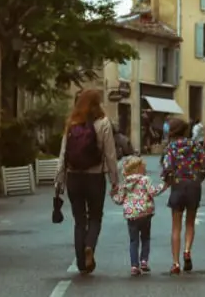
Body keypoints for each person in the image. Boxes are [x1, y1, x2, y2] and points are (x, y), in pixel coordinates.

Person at [54, 90, 119, 275]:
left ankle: (81, 263)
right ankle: (90, 245)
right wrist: (114, 180)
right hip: (95, 177)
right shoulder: (103, 122)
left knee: (79, 221)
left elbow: (63, 154)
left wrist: (59, 181)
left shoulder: (72, 122)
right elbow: (110, 154)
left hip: (74, 177)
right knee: (95, 217)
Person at [161, 117, 205, 275]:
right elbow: (204, 164)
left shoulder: (171, 147)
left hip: (178, 185)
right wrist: (198, 178)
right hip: (193, 185)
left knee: (176, 226)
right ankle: (187, 250)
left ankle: (175, 263)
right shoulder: (195, 145)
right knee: (190, 222)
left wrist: (167, 181)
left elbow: (167, 167)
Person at [111, 156, 168, 276]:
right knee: (145, 238)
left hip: (131, 215)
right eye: (144, 168)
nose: (145, 170)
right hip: (145, 213)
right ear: (138, 169)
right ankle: (144, 261)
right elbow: (153, 192)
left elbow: (119, 200)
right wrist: (164, 186)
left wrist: (113, 195)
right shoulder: (145, 180)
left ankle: (134, 265)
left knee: (133, 240)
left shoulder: (125, 183)